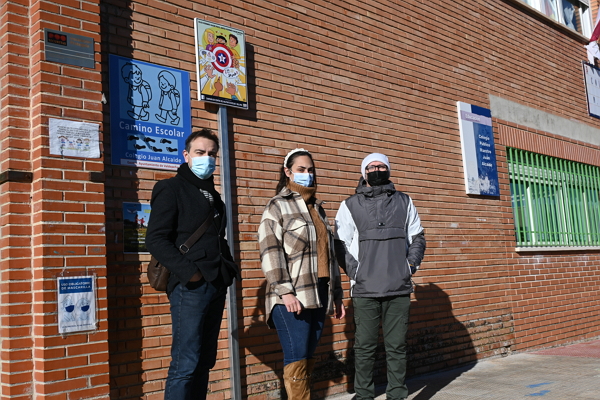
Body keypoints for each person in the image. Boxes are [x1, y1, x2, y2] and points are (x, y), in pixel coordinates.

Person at [146, 128, 234, 400]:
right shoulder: (170, 188)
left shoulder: (215, 196)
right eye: (200, 152)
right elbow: (156, 239)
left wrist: (227, 269)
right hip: (189, 287)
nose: (206, 158)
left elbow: (216, 237)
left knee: (205, 360)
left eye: (211, 154)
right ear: (186, 155)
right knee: (185, 362)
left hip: (216, 283)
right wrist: (191, 274)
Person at [334, 153, 426, 400]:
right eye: (371, 166)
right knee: (364, 348)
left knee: (397, 347)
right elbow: (339, 244)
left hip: (398, 287)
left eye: (381, 166)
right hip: (365, 289)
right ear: (364, 172)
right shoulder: (349, 204)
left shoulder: (405, 201)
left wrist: (410, 266)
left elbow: (417, 237)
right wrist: (356, 273)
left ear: (389, 170)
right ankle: (363, 395)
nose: (377, 169)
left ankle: (397, 395)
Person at [258, 148, 346, 400]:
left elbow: (328, 255)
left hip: (319, 292)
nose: (307, 174)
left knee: (307, 357)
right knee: (297, 357)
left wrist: (337, 295)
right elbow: (270, 251)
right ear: (288, 172)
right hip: (291, 295)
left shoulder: (318, 208)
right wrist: (285, 292)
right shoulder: (277, 206)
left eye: (310, 170)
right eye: (301, 169)